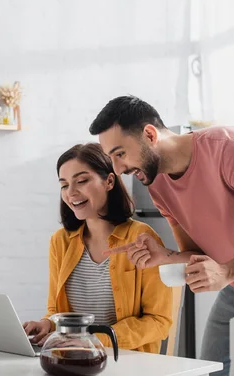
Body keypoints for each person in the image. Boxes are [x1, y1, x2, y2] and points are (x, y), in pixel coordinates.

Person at [89, 95, 234, 375]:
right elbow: (201, 255)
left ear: (149, 134)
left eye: (120, 154)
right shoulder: (158, 185)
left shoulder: (233, 150)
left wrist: (227, 272)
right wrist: (166, 256)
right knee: (211, 371)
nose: (119, 170)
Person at [23, 143, 172, 353]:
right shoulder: (60, 241)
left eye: (82, 181)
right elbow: (55, 312)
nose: (71, 193)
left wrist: (95, 340)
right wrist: (47, 324)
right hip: (75, 360)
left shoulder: (140, 238)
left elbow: (158, 321)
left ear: (109, 181)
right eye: (64, 185)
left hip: (129, 363)